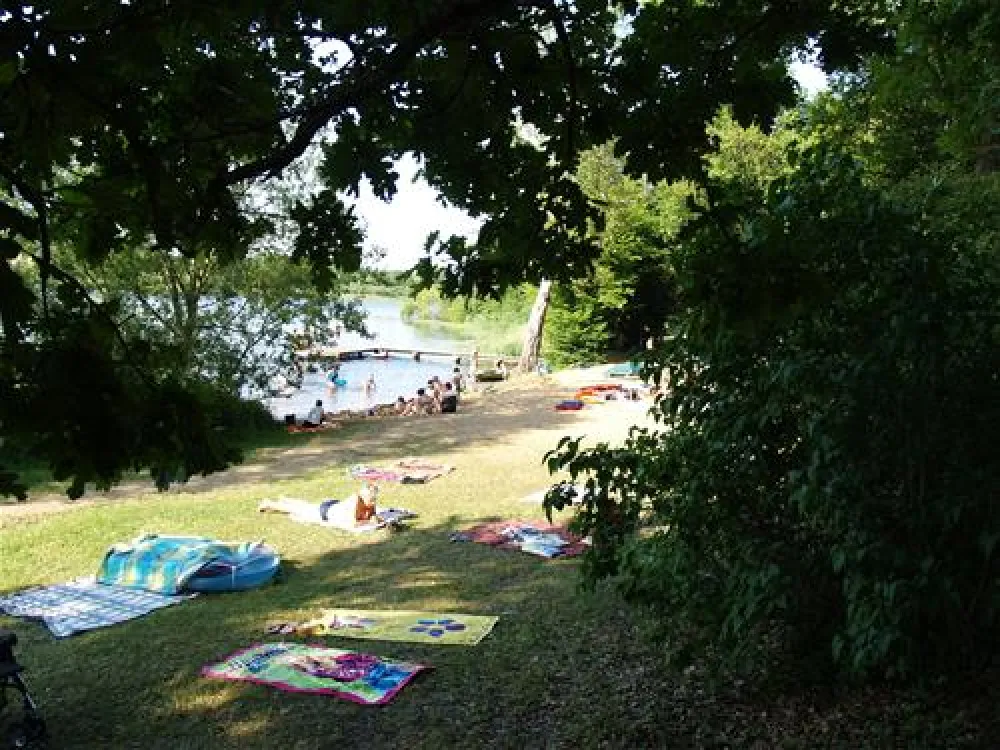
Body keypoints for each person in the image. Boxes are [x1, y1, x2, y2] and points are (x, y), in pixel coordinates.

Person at [258, 483, 379, 528]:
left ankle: (285, 499)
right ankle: (268, 503)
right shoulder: (356, 503)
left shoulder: (368, 502)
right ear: (363, 495)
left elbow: (372, 515)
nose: (373, 501)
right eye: (371, 498)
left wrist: (375, 519)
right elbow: (354, 524)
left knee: (305, 507)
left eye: (374, 498)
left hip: (334, 505)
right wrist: (369, 522)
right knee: (297, 510)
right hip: (326, 511)